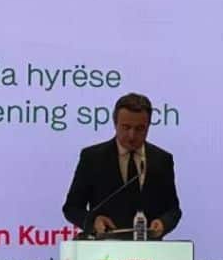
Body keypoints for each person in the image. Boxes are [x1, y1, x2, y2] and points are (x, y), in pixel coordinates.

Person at [63, 93, 182, 239]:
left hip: (149, 248)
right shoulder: (93, 158)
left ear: (148, 126)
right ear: (115, 124)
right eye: (126, 127)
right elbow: (72, 208)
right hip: (105, 248)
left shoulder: (161, 160)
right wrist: (93, 222)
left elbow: (173, 210)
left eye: (140, 129)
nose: (132, 135)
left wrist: (163, 223)